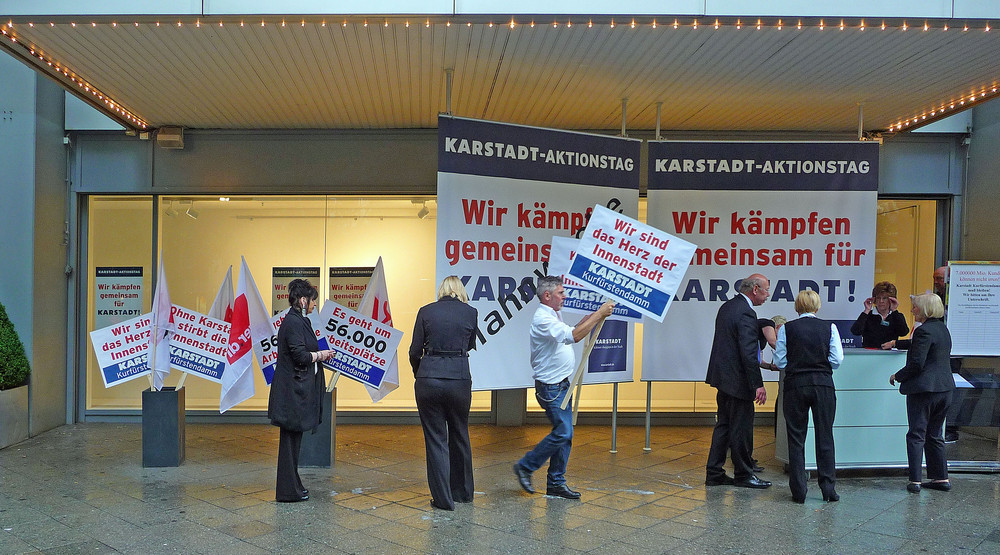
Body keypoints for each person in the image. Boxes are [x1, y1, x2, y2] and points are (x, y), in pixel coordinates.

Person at [513, 276, 615, 499]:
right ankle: (526, 466)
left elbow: (570, 331)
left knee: (566, 435)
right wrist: (599, 314)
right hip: (551, 389)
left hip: (560, 386)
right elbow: (573, 336)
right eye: (561, 292)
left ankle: (556, 482)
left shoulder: (552, 314)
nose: (565, 295)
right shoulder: (542, 318)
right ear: (547, 295)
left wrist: (589, 320)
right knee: (563, 432)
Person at [409, 276, 479, 511]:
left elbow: (414, 350)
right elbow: (469, 345)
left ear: (442, 290)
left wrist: (421, 372)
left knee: (436, 439)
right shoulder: (471, 312)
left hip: (429, 378)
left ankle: (443, 499)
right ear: (460, 291)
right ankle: (463, 493)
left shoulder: (425, 311)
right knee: (460, 434)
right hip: (459, 378)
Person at [774, 290, 844, 503]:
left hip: (795, 385)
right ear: (817, 306)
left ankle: (799, 491)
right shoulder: (829, 327)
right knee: (825, 435)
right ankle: (828, 489)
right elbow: (837, 359)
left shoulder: (787, 328)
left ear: (797, 306)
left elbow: (780, 362)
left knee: (796, 438)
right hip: (823, 385)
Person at [705, 273, 771, 489]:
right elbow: (748, 353)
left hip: (723, 379)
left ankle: (714, 472)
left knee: (723, 425)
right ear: (755, 290)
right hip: (738, 382)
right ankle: (744, 474)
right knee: (741, 429)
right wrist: (757, 384)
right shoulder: (746, 313)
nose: (767, 295)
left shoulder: (727, 307)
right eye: (766, 290)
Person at [267, 279, 331, 503]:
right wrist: (321, 355)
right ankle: (287, 490)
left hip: (294, 391)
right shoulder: (294, 323)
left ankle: (293, 486)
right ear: (303, 300)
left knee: (293, 443)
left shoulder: (297, 320)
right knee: (289, 443)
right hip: (291, 393)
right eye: (313, 300)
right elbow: (301, 356)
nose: (314, 305)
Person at [889, 292, 954, 494]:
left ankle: (915, 481)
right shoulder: (942, 329)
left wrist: (897, 376)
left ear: (925, 309)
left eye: (915, 307)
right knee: (935, 434)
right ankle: (940, 478)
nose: (912, 310)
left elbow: (917, 363)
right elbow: (923, 347)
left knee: (916, 434)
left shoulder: (923, 331)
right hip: (945, 389)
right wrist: (897, 343)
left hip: (924, 390)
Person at [851, 281, 909, 348]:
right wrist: (866, 310)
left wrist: (894, 310)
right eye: (878, 298)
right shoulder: (868, 315)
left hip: (890, 355)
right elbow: (855, 331)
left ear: (891, 300)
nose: (881, 301)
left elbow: (903, 332)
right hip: (869, 354)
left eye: (885, 298)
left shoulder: (896, 316)